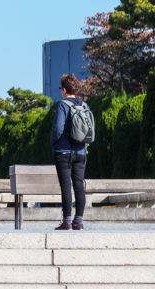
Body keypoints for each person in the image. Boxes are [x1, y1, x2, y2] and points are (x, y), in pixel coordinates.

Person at [52, 74, 88, 230]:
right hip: (81, 151)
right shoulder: (85, 106)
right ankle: (78, 220)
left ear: (64, 89)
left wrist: (54, 142)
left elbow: (58, 128)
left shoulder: (62, 105)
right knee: (79, 186)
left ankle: (67, 220)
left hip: (64, 152)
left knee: (66, 186)